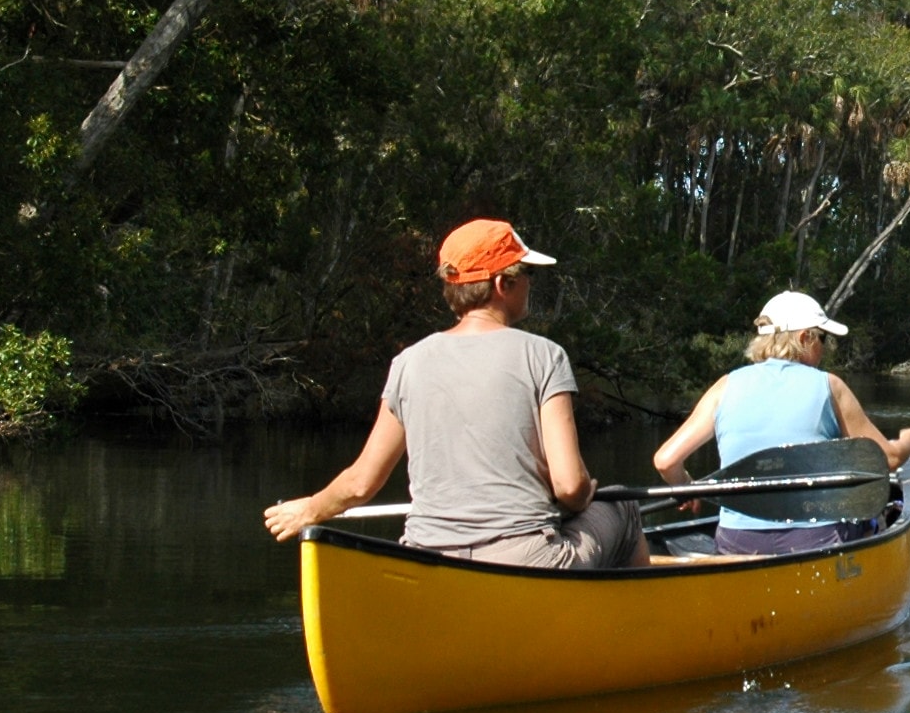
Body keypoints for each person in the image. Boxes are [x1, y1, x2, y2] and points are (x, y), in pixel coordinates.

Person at [263, 219, 640, 568]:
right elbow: (569, 485)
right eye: (526, 273)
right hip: (525, 558)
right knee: (624, 504)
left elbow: (361, 482)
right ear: (501, 284)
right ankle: (635, 628)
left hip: (427, 557)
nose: (530, 283)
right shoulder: (544, 356)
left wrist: (310, 509)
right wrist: (583, 496)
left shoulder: (408, 362)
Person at [653, 291, 910, 557]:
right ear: (804, 337)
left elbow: (666, 461)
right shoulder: (829, 386)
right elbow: (887, 459)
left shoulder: (724, 387)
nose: (826, 347)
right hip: (813, 539)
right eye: (823, 338)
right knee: (876, 516)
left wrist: (687, 487)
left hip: (738, 543)